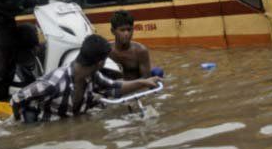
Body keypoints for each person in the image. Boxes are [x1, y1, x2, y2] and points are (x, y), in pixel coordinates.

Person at [11, 34, 161, 122]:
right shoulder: (53, 83)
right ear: (100, 62)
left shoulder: (93, 76)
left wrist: (144, 82)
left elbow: (114, 87)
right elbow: (16, 99)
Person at [108, 10, 151, 80]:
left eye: (129, 29)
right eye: (122, 30)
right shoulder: (106, 50)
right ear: (113, 31)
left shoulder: (140, 51)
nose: (126, 34)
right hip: (114, 88)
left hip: (136, 89)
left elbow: (146, 79)